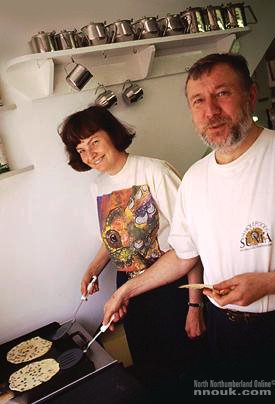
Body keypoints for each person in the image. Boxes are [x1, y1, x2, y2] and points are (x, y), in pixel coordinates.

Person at [103, 53, 275, 390]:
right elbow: (184, 254)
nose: (211, 111)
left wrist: (270, 283)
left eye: (223, 94)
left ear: (251, 95)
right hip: (223, 329)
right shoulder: (195, 179)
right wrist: (125, 291)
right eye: (198, 100)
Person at [58, 105, 206, 385]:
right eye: (81, 150)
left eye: (94, 142)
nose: (90, 155)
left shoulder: (154, 171)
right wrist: (95, 267)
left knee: (185, 369)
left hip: (171, 288)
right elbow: (115, 235)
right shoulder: (98, 186)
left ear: (111, 134)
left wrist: (194, 307)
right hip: (130, 290)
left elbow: (191, 243)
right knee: (150, 368)